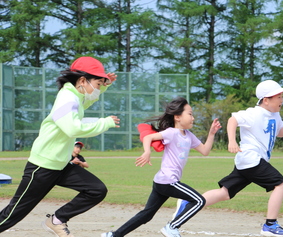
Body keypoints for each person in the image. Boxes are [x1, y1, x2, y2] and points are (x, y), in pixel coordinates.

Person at [0, 56, 120, 237]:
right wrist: (105, 123)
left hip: (61, 165)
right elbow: (72, 129)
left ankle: (56, 220)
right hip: (43, 166)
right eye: (97, 83)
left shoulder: (76, 96)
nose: (98, 88)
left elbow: (87, 100)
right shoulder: (67, 98)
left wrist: (105, 85)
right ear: (82, 80)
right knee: (13, 214)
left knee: (96, 190)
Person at [172, 80, 283, 237]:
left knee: (225, 193)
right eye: (278, 96)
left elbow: (279, 132)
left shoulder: (275, 115)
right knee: (281, 185)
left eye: (282, 96)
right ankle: (270, 225)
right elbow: (233, 120)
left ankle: (189, 203)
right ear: (266, 100)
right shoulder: (254, 113)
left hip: (249, 162)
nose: (282, 100)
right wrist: (232, 141)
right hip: (251, 159)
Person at [101, 97, 222, 237]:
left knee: (147, 214)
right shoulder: (171, 132)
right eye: (190, 114)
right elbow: (148, 138)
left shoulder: (189, 135)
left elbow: (205, 151)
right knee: (199, 200)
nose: (193, 118)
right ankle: (172, 226)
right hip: (168, 180)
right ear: (177, 117)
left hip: (162, 181)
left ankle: (113, 235)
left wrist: (211, 133)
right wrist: (147, 152)